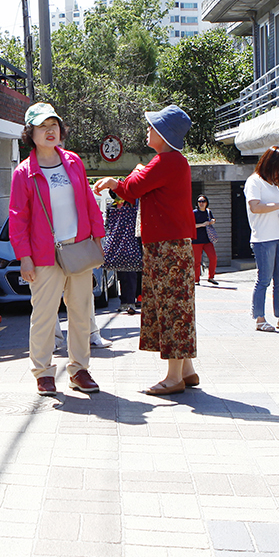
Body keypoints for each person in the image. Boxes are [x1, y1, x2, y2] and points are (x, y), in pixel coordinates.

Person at [94, 105, 196, 395]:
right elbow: (140, 183)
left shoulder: (166, 161)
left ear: (163, 134)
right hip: (173, 244)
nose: (148, 130)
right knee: (177, 304)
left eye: (152, 127)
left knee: (171, 306)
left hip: (166, 246)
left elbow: (132, 188)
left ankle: (174, 377)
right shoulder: (173, 161)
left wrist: (114, 182)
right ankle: (186, 370)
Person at [9, 102, 104, 397]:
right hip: (43, 255)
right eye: (42, 126)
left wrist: (98, 240)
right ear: (30, 133)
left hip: (77, 250)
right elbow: (18, 217)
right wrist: (24, 258)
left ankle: (79, 370)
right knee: (44, 316)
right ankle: (43, 372)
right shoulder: (24, 172)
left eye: (54, 125)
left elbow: (89, 202)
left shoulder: (74, 161)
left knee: (81, 312)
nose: (51, 131)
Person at [245, 146, 279, 332]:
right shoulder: (254, 182)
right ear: (271, 164)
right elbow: (255, 207)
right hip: (263, 238)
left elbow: (274, 209)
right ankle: (259, 318)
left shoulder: (275, 184)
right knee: (264, 279)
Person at [193, 194, 218, 285]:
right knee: (197, 261)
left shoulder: (208, 212)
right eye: (199, 201)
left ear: (207, 203)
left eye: (203, 201)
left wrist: (212, 221)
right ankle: (196, 280)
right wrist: (202, 224)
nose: (201, 203)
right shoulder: (194, 213)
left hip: (207, 240)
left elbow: (213, 219)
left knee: (213, 258)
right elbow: (191, 226)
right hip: (196, 240)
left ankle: (211, 277)